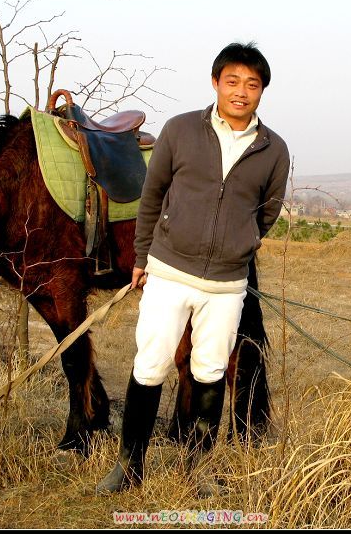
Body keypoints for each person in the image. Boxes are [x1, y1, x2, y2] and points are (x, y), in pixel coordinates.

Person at [96, 42, 290, 497]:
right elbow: (153, 194)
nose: (241, 92)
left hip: (226, 284)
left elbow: (267, 212)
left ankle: (197, 470)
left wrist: (239, 243)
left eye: (252, 84)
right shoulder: (181, 130)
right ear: (216, 83)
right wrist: (143, 257)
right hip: (168, 271)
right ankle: (130, 464)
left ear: (262, 91)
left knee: (209, 371)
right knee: (150, 364)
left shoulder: (273, 149)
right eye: (232, 81)